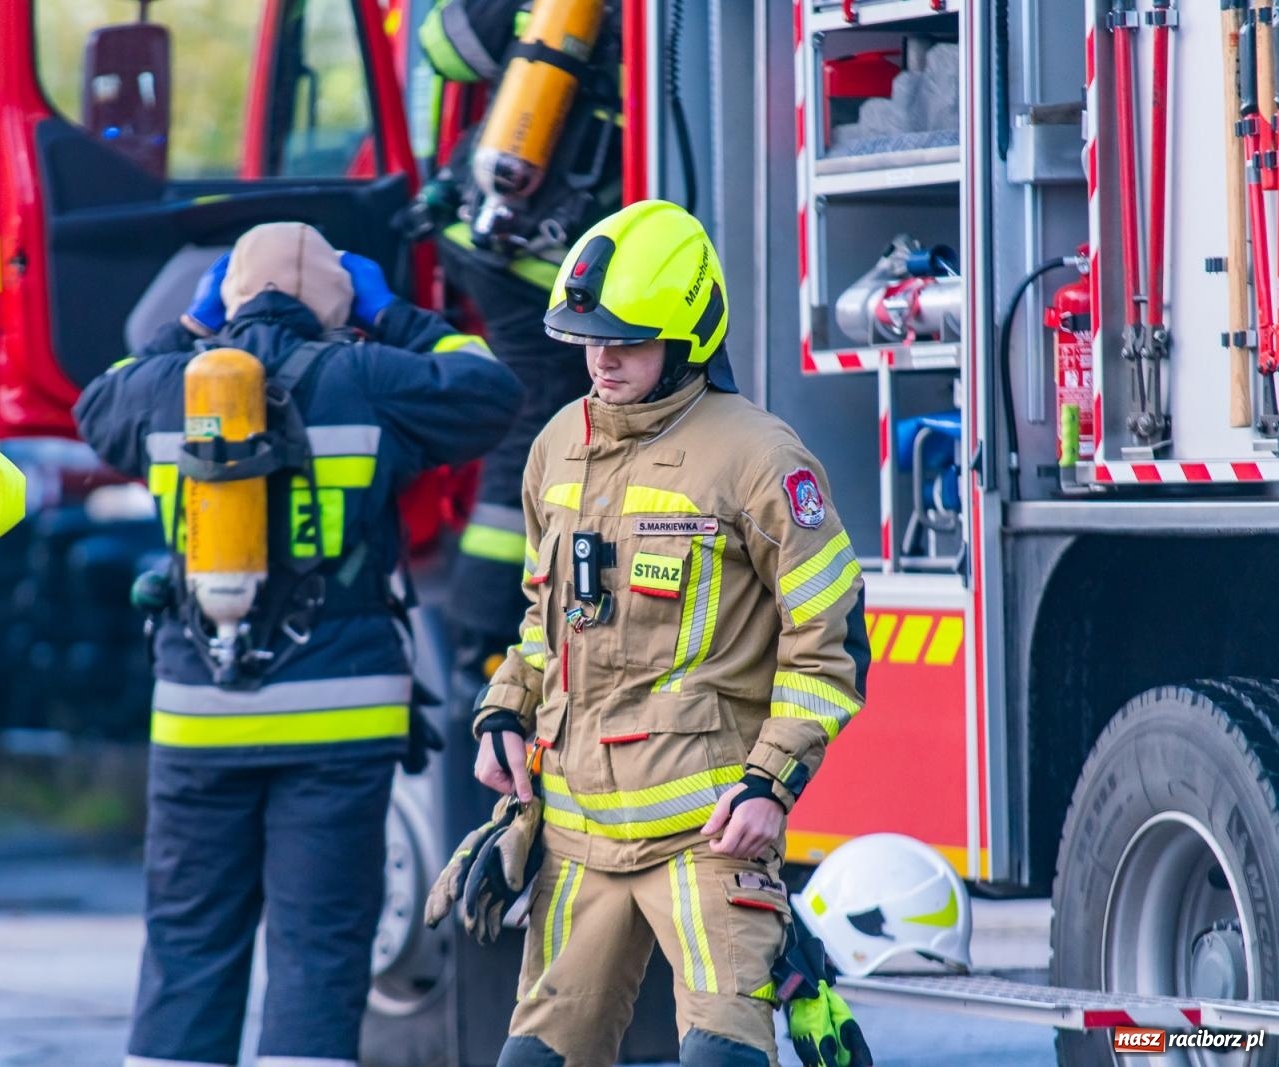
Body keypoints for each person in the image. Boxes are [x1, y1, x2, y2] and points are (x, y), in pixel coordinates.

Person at [74, 222, 521, 1067]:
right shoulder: (367, 376)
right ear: (341, 307)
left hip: (199, 720)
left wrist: (195, 325)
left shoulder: (166, 388)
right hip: (338, 723)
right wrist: (393, 314)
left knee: (186, 948)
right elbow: (490, 388)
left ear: (229, 297)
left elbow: (98, 402)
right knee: (320, 952)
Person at [470, 200, 871, 1067]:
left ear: (687, 337)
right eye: (588, 338)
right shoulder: (557, 448)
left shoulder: (759, 458)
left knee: (718, 1058)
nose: (601, 359)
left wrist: (771, 783)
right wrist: (505, 711)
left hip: (709, 836)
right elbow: (546, 621)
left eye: (627, 340)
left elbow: (828, 641)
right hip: (573, 835)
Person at [414, 0, 623, 688]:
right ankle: (486, 621)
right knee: (536, 422)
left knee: (544, 420)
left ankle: (503, 621)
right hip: (553, 250)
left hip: (500, 231)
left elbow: (446, 50)